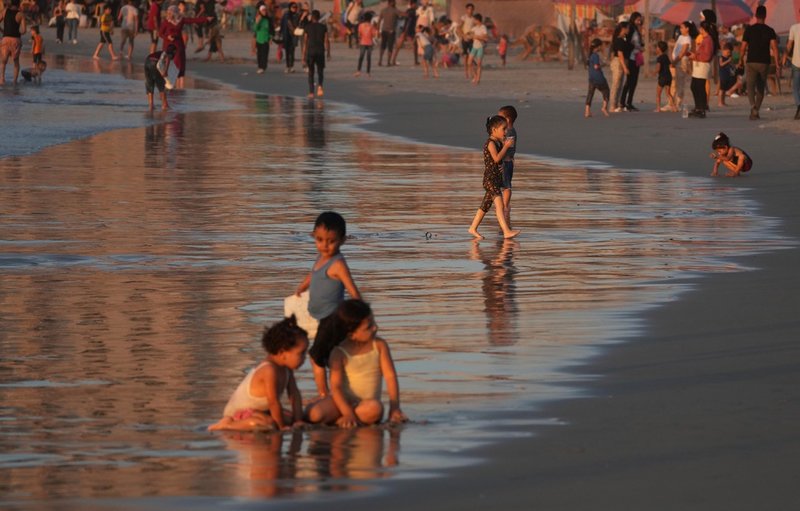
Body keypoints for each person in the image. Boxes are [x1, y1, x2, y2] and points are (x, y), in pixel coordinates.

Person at [304, 300, 408, 428]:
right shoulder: (339, 353)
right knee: (314, 414)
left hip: (365, 405)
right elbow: (335, 387)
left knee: (375, 409)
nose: (375, 327)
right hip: (342, 402)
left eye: (374, 322)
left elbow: (390, 376)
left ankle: (340, 421)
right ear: (351, 334)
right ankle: (344, 419)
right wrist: (347, 413)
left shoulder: (379, 346)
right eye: (369, 327)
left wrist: (394, 408)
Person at [296, 212, 362, 398]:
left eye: (331, 241)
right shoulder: (321, 258)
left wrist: (362, 313)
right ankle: (338, 392)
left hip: (332, 318)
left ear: (342, 241)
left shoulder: (338, 264)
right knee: (332, 356)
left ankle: (324, 394)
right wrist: (302, 287)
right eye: (319, 239)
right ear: (313, 236)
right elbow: (314, 274)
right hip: (321, 318)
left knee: (316, 356)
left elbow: (352, 290)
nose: (324, 245)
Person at [208, 316, 308, 432]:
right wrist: (281, 428)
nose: (304, 358)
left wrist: (298, 421)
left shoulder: (286, 368)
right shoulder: (269, 370)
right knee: (269, 425)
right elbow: (273, 402)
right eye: (301, 353)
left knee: (292, 418)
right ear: (282, 352)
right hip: (238, 414)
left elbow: (294, 395)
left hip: (261, 411)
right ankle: (226, 425)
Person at [468, 115, 520, 240]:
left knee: (484, 207)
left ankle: (472, 228)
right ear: (494, 129)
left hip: (496, 180)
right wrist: (506, 147)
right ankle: (506, 231)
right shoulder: (490, 143)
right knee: (499, 204)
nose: (506, 132)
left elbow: (499, 160)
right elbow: (496, 158)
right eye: (503, 129)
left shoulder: (497, 143)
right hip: (489, 180)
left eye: (506, 129)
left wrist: (506, 161)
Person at [740, 5, 779, 120]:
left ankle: (753, 107)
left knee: (750, 86)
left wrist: (741, 60)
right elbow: (774, 48)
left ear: (756, 16)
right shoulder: (770, 30)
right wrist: (777, 63)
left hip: (751, 61)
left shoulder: (749, 30)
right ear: (765, 16)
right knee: (761, 87)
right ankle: (756, 108)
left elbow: (743, 47)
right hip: (764, 62)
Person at [160, 5, 211, 89]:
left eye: (170, 13)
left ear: (175, 13)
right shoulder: (166, 22)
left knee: (178, 63)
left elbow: (192, 20)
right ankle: (167, 82)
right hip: (167, 45)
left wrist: (206, 19)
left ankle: (177, 84)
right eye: (168, 13)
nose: (168, 14)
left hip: (178, 44)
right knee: (166, 64)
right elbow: (160, 33)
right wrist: (167, 37)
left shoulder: (181, 20)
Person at [498, 105, 518, 231]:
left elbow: (507, 146)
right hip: (507, 161)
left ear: (508, 119)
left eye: (501, 118)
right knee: (504, 184)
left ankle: (505, 206)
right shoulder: (510, 131)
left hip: (506, 161)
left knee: (506, 185)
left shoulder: (510, 132)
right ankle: (505, 205)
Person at [688, 21, 713, 118]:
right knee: (694, 86)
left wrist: (695, 56)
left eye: (700, 28)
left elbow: (707, 56)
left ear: (703, 29)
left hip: (703, 66)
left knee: (700, 87)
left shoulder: (708, 40)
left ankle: (701, 108)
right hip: (699, 65)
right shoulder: (705, 39)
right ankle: (698, 106)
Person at [620, 11, 643, 111]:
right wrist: (635, 46)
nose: (639, 22)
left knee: (634, 81)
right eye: (638, 20)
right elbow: (627, 42)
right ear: (634, 19)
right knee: (629, 81)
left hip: (636, 57)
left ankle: (629, 102)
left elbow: (638, 42)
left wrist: (640, 46)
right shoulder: (631, 29)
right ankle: (623, 102)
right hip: (631, 58)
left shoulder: (637, 30)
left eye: (640, 20)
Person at [1, 0, 27, 85]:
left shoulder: (4, 11)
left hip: (5, 39)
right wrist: (18, 32)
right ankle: (14, 81)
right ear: (18, 4)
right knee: (16, 61)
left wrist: (2, 31)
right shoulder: (21, 14)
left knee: (3, 61)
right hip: (15, 40)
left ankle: (2, 79)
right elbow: (24, 30)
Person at [303, 9, 329, 98]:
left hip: (311, 52)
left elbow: (305, 42)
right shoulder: (323, 27)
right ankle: (320, 86)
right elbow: (326, 40)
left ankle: (311, 92)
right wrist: (328, 52)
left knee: (311, 72)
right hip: (320, 51)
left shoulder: (307, 27)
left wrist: (303, 55)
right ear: (319, 17)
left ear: (312, 17)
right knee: (320, 71)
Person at [144, 43, 175, 110]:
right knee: (161, 85)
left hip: (147, 61)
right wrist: (166, 71)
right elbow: (168, 58)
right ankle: (165, 105)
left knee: (150, 84)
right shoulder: (168, 53)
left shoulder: (160, 52)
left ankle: (151, 106)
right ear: (174, 51)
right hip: (154, 63)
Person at [609, 21, 631, 113]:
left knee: (620, 84)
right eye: (628, 28)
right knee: (616, 84)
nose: (629, 30)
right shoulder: (619, 40)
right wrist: (625, 68)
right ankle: (612, 106)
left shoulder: (623, 39)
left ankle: (617, 104)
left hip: (622, 62)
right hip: (618, 62)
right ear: (623, 29)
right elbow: (620, 54)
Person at [672, 21, 694, 110]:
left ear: (687, 28)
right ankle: (671, 102)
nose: (680, 29)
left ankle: (678, 103)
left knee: (680, 83)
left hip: (681, 62)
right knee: (673, 83)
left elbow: (682, 52)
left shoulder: (688, 39)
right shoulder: (680, 37)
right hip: (675, 60)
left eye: (682, 27)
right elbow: (676, 48)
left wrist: (674, 61)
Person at [585, 38, 610, 118]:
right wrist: (603, 65)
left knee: (590, 93)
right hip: (599, 77)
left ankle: (587, 111)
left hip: (591, 77)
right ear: (598, 47)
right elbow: (596, 66)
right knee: (606, 91)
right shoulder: (595, 55)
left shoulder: (589, 56)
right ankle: (604, 107)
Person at [783, 12, 800, 120]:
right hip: (796, 62)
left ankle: (799, 105)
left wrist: (784, 56)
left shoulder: (794, 28)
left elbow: (789, 45)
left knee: (796, 88)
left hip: (796, 62)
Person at [390, 0, 417, 65]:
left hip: (405, 30)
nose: (416, 5)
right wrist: (405, 31)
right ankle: (416, 61)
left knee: (398, 46)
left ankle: (393, 60)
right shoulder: (412, 12)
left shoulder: (408, 11)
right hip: (408, 31)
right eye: (415, 4)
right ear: (412, 4)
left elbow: (404, 18)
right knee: (414, 45)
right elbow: (409, 22)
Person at [465, 13, 487, 84]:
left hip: (480, 47)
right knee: (469, 62)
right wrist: (469, 36)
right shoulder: (474, 28)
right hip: (474, 47)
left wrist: (477, 37)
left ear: (478, 20)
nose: (473, 21)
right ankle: (475, 75)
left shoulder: (483, 27)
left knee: (479, 63)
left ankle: (478, 79)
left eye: (474, 20)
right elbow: (469, 34)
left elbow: (485, 38)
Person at [377, 0, 400, 66]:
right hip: (391, 31)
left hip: (384, 31)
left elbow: (379, 20)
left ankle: (380, 61)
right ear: (391, 3)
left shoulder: (383, 10)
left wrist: (378, 31)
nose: (395, 3)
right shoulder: (395, 10)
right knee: (390, 47)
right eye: (394, 2)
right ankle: (388, 62)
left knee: (383, 46)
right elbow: (402, 14)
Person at [655, 40, 676, 112]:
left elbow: (658, 68)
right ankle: (674, 107)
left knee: (658, 93)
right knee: (668, 93)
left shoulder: (659, 58)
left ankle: (658, 108)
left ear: (659, 49)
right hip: (668, 77)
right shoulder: (666, 56)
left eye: (657, 47)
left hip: (662, 77)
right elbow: (670, 65)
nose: (656, 48)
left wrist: (654, 72)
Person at [354, 11, 377, 77]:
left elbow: (359, 35)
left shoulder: (361, 25)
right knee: (368, 58)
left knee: (361, 57)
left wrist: (358, 42)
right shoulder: (372, 26)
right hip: (370, 43)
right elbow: (374, 35)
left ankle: (358, 71)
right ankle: (368, 72)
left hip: (362, 43)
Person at [281, 2, 299, 73]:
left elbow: (299, 23)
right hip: (286, 36)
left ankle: (291, 66)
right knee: (287, 52)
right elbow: (283, 24)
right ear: (290, 8)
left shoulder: (297, 15)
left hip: (293, 36)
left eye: (295, 7)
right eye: (293, 7)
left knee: (292, 51)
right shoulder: (286, 15)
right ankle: (287, 66)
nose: (294, 9)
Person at [252, 4, 271, 74]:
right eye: (263, 11)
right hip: (259, 39)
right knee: (259, 54)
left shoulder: (267, 19)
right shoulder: (258, 18)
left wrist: (270, 38)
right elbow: (255, 29)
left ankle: (263, 67)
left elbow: (270, 29)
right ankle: (260, 67)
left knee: (265, 54)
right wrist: (257, 22)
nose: (264, 12)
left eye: (265, 10)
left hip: (266, 39)